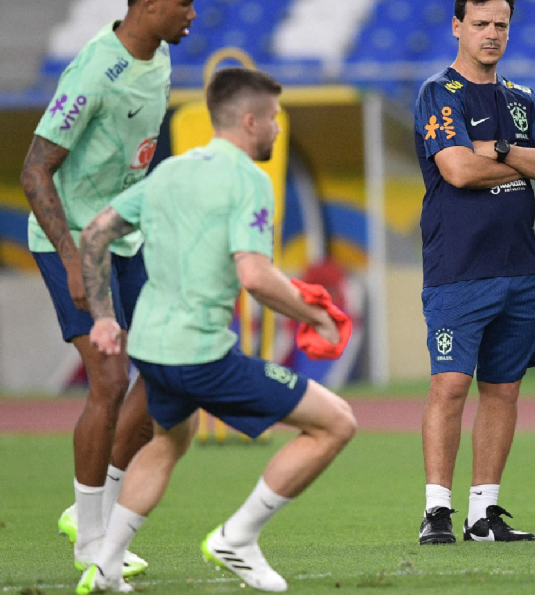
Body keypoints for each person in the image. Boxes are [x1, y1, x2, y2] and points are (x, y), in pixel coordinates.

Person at [74, 68, 357, 593]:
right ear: (250, 121)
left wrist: (104, 316)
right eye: (273, 119)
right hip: (199, 354)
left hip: (153, 351)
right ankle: (238, 537)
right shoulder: (247, 178)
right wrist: (313, 313)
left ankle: (106, 567)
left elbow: (94, 235)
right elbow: (253, 275)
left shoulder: (168, 173)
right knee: (336, 422)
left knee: (168, 440)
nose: (277, 129)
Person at [19, 0, 196, 577]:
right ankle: (91, 542)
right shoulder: (97, 70)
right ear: (148, 4)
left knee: (168, 372)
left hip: (127, 237)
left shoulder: (163, 54)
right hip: (75, 240)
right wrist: (71, 258)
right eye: (184, 4)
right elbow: (34, 169)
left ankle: (91, 511)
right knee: (110, 377)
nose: (192, 16)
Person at [413, 0, 535, 544]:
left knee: (504, 390)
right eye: (480, 24)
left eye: (501, 24)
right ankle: (437, 510)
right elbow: (456, 169)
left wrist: (501, 151)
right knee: (450, 386)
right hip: (458, 270)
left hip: (524, 271)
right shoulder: (438, 93)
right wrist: (527, 162)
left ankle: (483, 514)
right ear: (458, 27)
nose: (491, 34)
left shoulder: (524, 100)